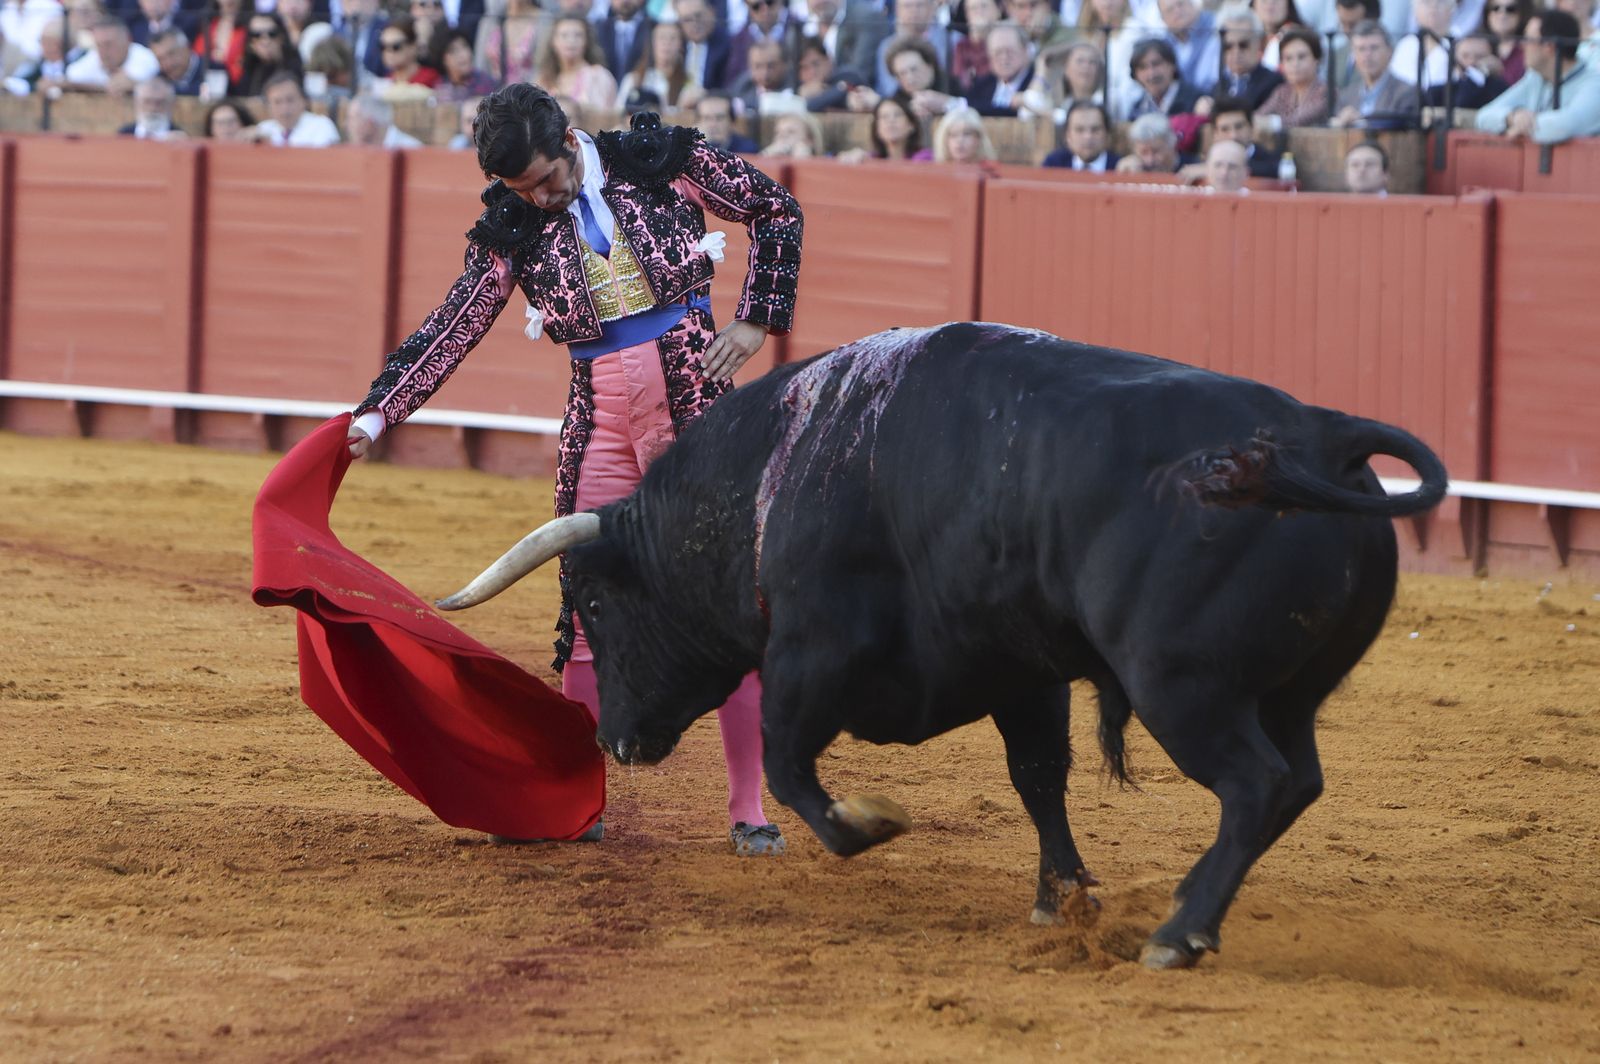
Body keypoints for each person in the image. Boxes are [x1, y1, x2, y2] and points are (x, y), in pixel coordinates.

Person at [346, 85, 803, 856]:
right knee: (588, 612)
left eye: (545, 181)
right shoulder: (515, 222)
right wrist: (377, 412)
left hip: (696, 409)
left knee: (731, 605)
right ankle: (575, 803)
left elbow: (775, 209)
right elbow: (455, 323)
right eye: (522, 190)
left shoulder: (659, 159)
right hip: (598, 426)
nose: (540, 199)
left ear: (567, 138)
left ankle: (748, 808)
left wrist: (758, 317)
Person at [1475, 10, 1600, 143]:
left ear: (1549, 47)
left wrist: (1525, 125)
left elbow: (1566, 126)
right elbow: (1483, 117)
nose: (1522, 45)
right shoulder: (1535, 78)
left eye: (1528, 40)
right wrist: (1513, 117)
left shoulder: (1594, 84)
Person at [1330, 19, 1419, 126]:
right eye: (1361, 49)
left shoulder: (1406, 93)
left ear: (1390, 52)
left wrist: (1360, 121)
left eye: (1374, 48)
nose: (1367, 55)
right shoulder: (1346, 96)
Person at [535, 14, 616, 111]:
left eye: (578, 35)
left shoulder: (598, 76)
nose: (571, 41)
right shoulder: (543, 79)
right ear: (553, 41)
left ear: (586, 41)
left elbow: (604, 114)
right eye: (564, 35)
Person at [1253, 26, 1328, 127]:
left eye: (1301, 57)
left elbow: (1299, 120)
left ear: (1317, 60)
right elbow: (1258, 116)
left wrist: (1268, 123)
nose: (1295, 64)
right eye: (1288, 58)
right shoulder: (1282, 92)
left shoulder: (1326, 92)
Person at [617, 19, 699, 112]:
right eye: (661, 38)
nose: (667, 43)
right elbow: (619, 112)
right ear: (652, 43)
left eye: (673, 38)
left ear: (681, 45)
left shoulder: (689, 81)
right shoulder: (634, 79)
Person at [1215, 3, 1285, 111]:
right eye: (1228, 46)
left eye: (1243, 45)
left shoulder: (1274, 83)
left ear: (1258, 43)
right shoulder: (1219, 86)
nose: (1236, 52)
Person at [64, 14, 157, 93]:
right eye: (99, 45)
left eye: (108, 44)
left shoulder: (144, 57)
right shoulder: (92, 57)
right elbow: (72, 77)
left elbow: (128, 82)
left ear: (127, 40)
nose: (103, 51)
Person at [1124, 37, 1206, 121]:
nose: (1151, 74)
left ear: (1172, 64)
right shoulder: (1137, 110)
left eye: (1156, 64)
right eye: (1143, 67)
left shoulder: (1197, 103)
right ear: (1135, 75)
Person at [1421, 31, 1509, 108]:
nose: (1471, 62)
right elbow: (1459, 104)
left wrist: (1479, 73)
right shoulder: (1437, 92)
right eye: (1465, 56)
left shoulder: (1500, 90)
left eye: (1479, 57)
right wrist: (1475, 75)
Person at [252, 69, 341, 144]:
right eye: (277, 102)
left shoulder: (322, 125)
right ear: (268, 106)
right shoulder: (263, 129)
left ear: (303, 101)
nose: (284, 108)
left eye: (290, 100)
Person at [964, 19, 1032, 115]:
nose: (1004, 58)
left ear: (1025, 51)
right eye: (997, 52)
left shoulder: (1036, 84)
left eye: (1010, 51)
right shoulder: (980, 87)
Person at [239, 12, 304, 97]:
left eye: (272, 34)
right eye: (257, 35)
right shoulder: (248, 68)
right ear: (251, 43)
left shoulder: (295, 65)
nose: (265, 41)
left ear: (281, 37)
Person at [1042, 99, 1120, 169]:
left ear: (1107, 134)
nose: (1088, 136)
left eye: (1095, 130)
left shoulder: (1119, 168)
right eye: (1079, 130)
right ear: (1067, 135)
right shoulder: (1054, 165)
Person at [428, 28, 497, 103]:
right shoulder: (441, 87)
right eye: (453, 51)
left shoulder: (485, 83)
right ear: (443, 59)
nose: (462, 54)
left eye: (464, 47)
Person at [344, 91, 425, 146]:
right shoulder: (361, 149)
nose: (346, 124)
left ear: (369, 123)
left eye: (352, 119)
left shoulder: (410, 149)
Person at [1482, 0, 1533, 85]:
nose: (1502, 15)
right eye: (1495, 8)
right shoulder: (1478, 45)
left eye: (1510, 9)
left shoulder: (1529, 48)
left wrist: (1500, 73)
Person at [118, 74, 185, 137]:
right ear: (136, 103)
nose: (152, 108)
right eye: (147, 102)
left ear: (170, 105)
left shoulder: (180, 139)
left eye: (159, 103)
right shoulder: (123, 136)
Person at [931, 104, 996, 163]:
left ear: (978, 138)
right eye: (954, 135)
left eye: (967, 134)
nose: (960, 140)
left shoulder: (994, 170)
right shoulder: (934, 169)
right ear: (944, 140)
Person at [149, 26, 204, 95]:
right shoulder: (159, 79)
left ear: (186, 48)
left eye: (171, 54)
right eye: (160, 59)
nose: (168, 64)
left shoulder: (211, 68)